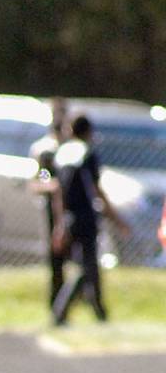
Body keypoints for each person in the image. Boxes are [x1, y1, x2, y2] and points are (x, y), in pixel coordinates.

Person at [52, 114, 129, 325]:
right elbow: (95, 190)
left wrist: (59, 223)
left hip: (69, 216)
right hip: (85, 216)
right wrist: (116, 219)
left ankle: (97, 311)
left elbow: (58, 190)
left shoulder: (62, 153)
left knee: (87, 266)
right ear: (88, 132)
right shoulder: (86, 153)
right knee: (87, 267)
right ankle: (64, 311)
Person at [28, 97, 70, 308]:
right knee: (56, 258)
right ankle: (56, 304)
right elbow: (39, 180)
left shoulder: (72, 148)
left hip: (73, 208)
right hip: (52, 211)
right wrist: (52, 185)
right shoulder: (45, 149)